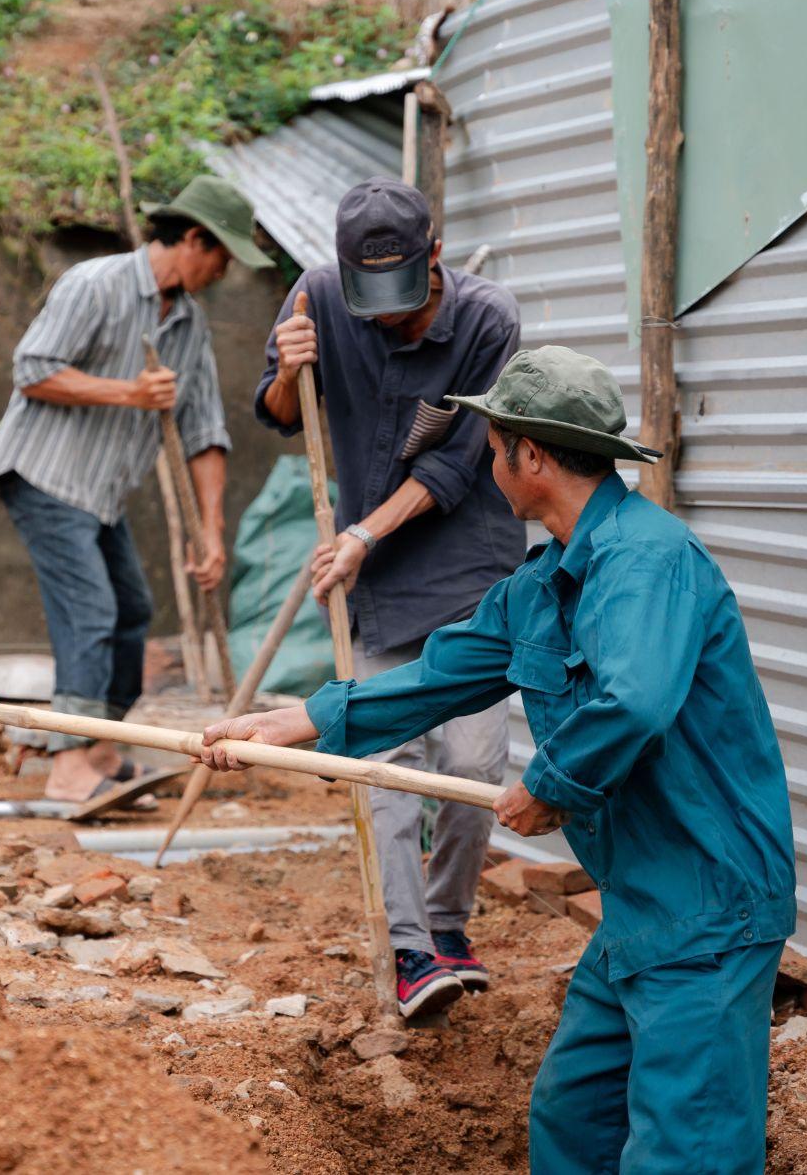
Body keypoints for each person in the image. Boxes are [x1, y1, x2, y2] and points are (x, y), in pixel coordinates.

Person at [200, 345, 798, 1174]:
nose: (487, 463)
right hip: (642, 901)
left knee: (686, 1147)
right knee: (572, 1114)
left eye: (494, 447)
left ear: (536, 457)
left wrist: (548, 788)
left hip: (709, 903)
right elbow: (438, 675)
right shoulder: (542, 581)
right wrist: (291, 722)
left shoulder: (646, 560)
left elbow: (634, 700)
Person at [252, 176, 525, 1019]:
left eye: (402, 301)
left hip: (466, 566)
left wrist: (365, 532)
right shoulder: (318, 294)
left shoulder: (489, 321)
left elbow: (456, 463)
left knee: (476, 764)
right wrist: (287, 368)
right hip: (374, 581)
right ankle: (411, 949)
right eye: (370, 303)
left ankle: (448, 921)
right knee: (386, 762)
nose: (386, 320)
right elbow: (278, 412)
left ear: (433, 256)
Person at [0, 175, 269, 805]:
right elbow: (32, 369)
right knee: (90, 610)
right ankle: (68, 764)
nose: (223, 272)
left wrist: (211, 531)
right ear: (194, 240)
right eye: (221, 256)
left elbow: (204, 428)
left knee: (132, 610)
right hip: (44, 474)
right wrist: (127, 392)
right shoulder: (95, 284)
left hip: (100, 492)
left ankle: (102, 743)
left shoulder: (190, 324)